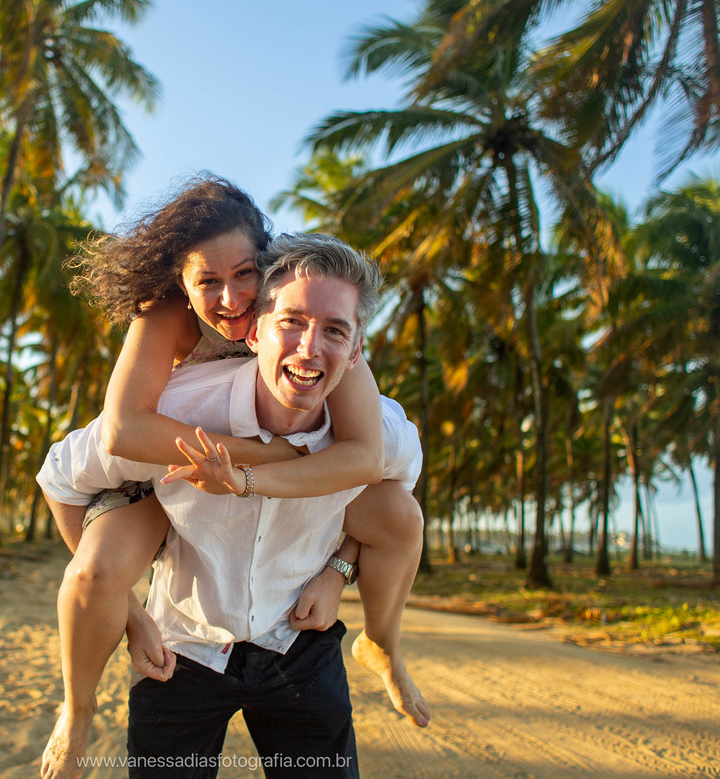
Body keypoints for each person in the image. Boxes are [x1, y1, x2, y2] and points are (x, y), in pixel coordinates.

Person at [37, 177, 427, 779]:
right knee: (94, 572)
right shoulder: (173, 349)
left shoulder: (330, 353)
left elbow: (377, 465)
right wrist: (261, 455)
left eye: (245, 274)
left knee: (400, 515)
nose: (230, 298)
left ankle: (385, 645)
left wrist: (338, 566)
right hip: (175, 525)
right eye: (207, 282)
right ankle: (77, 711)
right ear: (183, 284)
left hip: (292, 638)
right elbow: (111, 440)